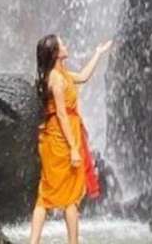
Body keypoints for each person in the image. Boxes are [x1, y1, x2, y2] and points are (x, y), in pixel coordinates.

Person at [28, 34, 115, 244]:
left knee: (50, 193)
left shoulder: (61, 73)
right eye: (62, 43)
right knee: (62, 194)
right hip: (60, 139)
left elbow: (84, 76)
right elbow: (61, 114)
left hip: (63, 134)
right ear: (56, 53)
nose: (67, 44)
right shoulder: (56, 80)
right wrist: (74, 148)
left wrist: (98, 53)